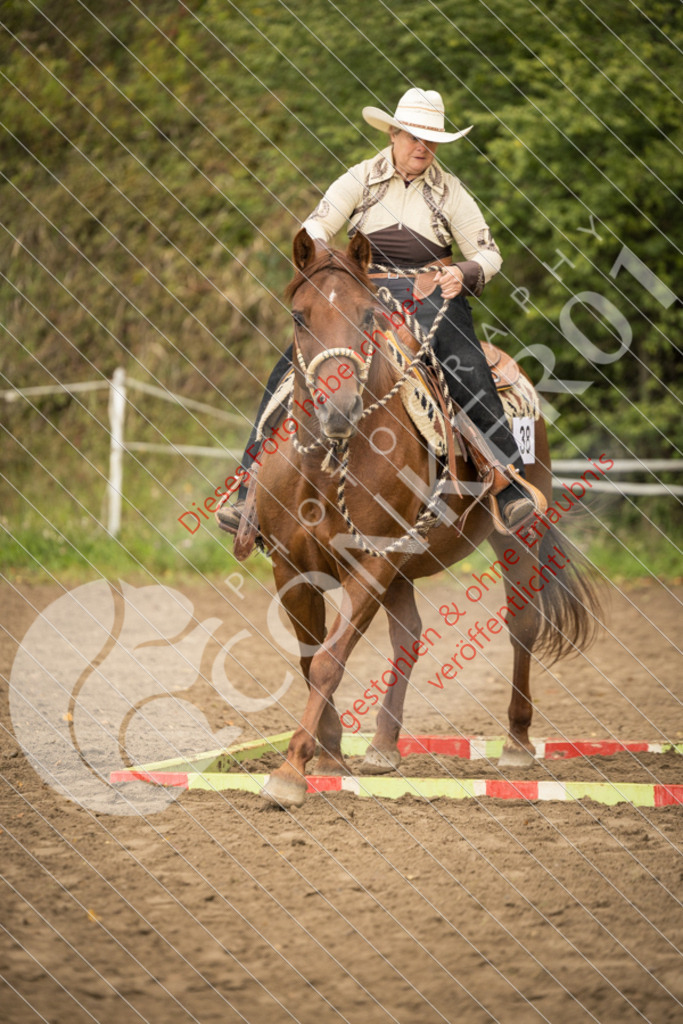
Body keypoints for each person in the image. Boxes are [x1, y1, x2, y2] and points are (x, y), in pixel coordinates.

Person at [218, 87, 545, 534]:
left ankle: (508, 483)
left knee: (467, 367)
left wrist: (463, 274)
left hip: (432, 298)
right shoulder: (359, 178)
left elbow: (489, 254)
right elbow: (317, 224)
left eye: (432, 139)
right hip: (363, 297)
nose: (422, 146)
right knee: (288, 370)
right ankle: (248, 489)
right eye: (413, 136)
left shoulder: (451, 191)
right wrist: (318, 256)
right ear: (393, 133)